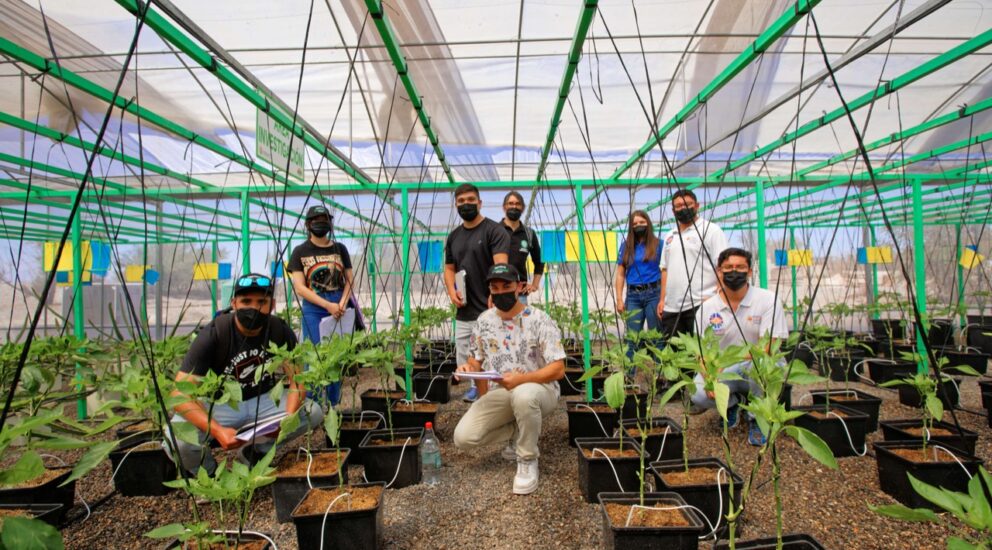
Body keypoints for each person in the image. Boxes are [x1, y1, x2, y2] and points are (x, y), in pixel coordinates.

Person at [165, 273, 324, 474]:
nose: (253, 308)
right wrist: (216, 430)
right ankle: (208, 474)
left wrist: (287, 418)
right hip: (221, 404)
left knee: (313, 412)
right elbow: (179, 395)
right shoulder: (214, 334)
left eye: (261, 301)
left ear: (272, 304)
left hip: (263, 401)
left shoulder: (279, 330)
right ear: (234, 303)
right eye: (246, 301)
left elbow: (297, 381)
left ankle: (254, 452)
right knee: (177, 439)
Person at [452, 263, 565, 495]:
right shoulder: (484, 321)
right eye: (495, 287)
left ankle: (527, 458)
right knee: (463, 437)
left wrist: (522, 380)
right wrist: (467, 369)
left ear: (520, 287)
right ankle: (517, 431)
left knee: (524, 396)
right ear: (489, 290)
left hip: (540, 390)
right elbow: (477, 362)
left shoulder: (539, 319)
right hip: (503, 392)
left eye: (507, 286)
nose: (501, 291)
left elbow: (558, 369)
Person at [689, 248, 789, 446]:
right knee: (698, 393)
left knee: (761, 365)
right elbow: (701, 351)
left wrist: (725, 366)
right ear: (719, 271)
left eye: (740, 267)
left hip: (757, 368)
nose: (734, 271)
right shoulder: (708, 308)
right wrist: (709, 377)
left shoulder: (767, 300)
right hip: (723, 371)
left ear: (749, 271)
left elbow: (768, 347)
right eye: (728, 267)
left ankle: (757, 417)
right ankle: (732, 404)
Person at [444, 183, 510, 402]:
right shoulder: (453, 237)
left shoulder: (494, 230)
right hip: (464, 308)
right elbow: (449, 269)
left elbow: (501, 265)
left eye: (471, 200)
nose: (466, 205)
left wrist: (495, 292)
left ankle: (495, 389)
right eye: (461, 201)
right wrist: (452, 291)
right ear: (455, 205)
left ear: (480, 203)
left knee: (493, 349)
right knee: (465, 352)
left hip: (489, 306)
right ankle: (475, 386)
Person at [288, 204, 355, 405]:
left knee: (335, 356)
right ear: (308, 224)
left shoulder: (339, 248)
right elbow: (300, 287)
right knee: (315, 356)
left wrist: (341, 303)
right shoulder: (300, 251)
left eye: (325, 219)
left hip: (339, 305)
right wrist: (327, 305)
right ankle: (314, 405)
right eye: (316, 220)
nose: (321, 223)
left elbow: (349, 279)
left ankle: (334, 403)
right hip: (314, 308)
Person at [657, 189, 728, 342]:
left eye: (688, 204)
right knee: (677, 357)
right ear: (673, 210)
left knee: (703, 354)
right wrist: (663, 300)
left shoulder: (711, 230)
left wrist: (718, 297)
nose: (683, 208)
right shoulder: (670, 235)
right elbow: (665, 269)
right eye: (679, 206)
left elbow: (723, 266)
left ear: (697, 205)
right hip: (672, 307)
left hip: (700, 303)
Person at [615, 210, 662, 358]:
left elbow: (666, 271)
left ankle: (659, 377)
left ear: (648, 223)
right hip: (633, 295)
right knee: (632, 338)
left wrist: (663, 299)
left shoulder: (658, 244)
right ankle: (629, 377)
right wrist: (619, 298)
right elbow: (620, 273)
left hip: (654, 293)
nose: (638, 226)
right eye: (634, 224)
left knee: (656, 337)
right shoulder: (626, 246)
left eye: (641, 222)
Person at [500, 191, 544, 303]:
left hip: (520, 293)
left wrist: (534, 285)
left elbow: (539, 261)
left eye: (517, 204)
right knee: (496, 320)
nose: (514, 206)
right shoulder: (494, 231)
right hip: (497, 291)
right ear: (504, 207)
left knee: (520, 320)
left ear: (523, 208)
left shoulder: (529, 234)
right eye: (510, 203)